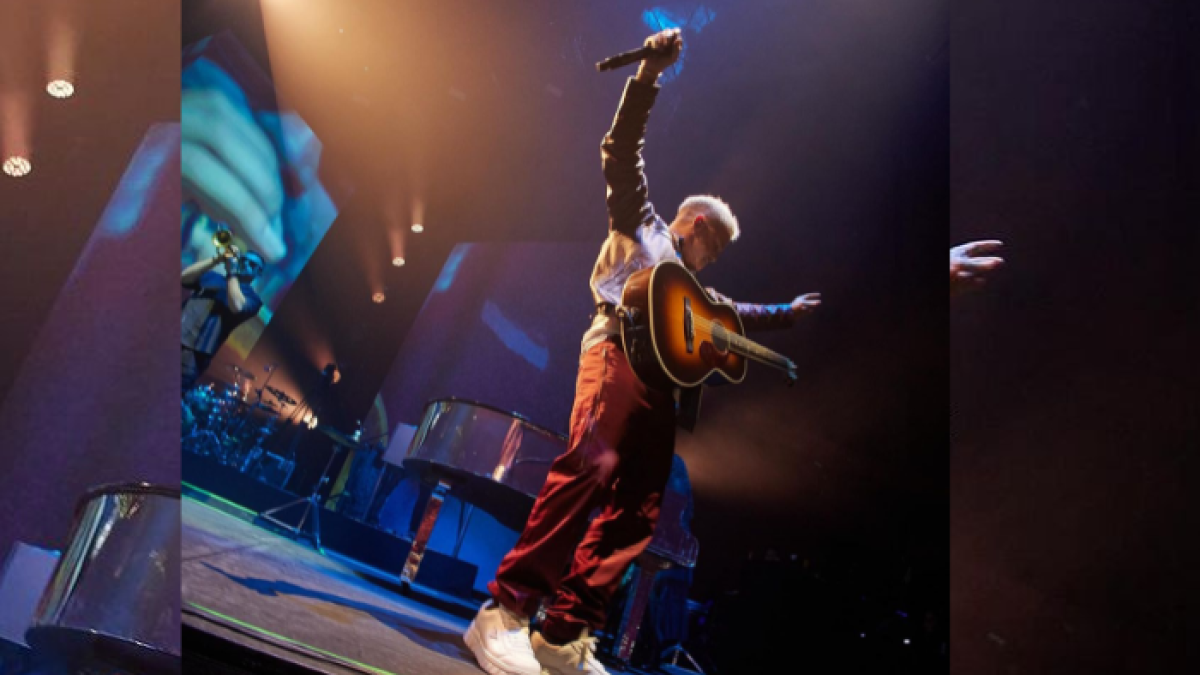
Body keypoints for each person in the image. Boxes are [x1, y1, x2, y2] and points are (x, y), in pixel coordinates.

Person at [464, 29, 821, 675]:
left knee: (640, 510)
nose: (713, 259)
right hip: (615, 349)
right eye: (714, 245)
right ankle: (506, 611)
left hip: (662, 387)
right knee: (591, 465)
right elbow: (621, 151)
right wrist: (648, 78)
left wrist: (789, 318)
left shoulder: (700, 294)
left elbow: (736, 316)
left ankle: (563, 633)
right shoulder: (646, 228)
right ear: (697, 225)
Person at [181, 246, 265, 390]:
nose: (245, 264)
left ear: (258, 272)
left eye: (252, 264)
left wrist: (231, 272)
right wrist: (217, 259)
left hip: (195, 354)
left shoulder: (252, 299)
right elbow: (184, 278)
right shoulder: (214, 277)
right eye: (243, 260)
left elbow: (237, 306)